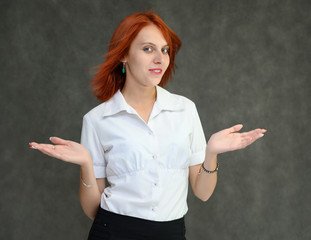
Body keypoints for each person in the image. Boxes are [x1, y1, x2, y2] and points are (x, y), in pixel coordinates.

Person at [29, 11, 267, 240]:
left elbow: (202, 193)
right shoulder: (96, 119)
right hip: (114, 231)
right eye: (147, 49)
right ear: (123, 55)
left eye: (164, 50)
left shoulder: (185, 109)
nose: (159, 59)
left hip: (172, 232)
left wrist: (211, 153)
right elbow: (92, 210)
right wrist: (86, 164)